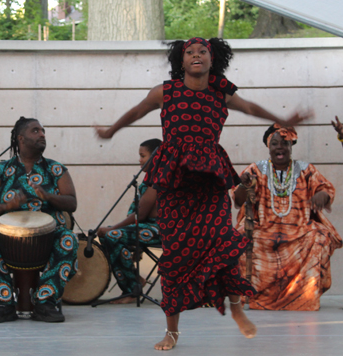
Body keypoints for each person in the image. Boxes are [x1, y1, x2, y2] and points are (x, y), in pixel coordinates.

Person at [95, 37, 311, 351]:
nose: (196, 56)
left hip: (209, 177)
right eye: (190, 53)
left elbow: (249, 107)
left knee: (223, 242)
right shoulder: (165, 92)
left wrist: (283, 120)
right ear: (180, 62)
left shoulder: (220, 91)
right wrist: (112, 130)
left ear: (213, 59)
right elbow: (136, 111)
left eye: (202, 52)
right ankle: (172, 332)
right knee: (175, 256)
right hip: (175, 180)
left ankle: (236, 308)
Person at [0, 116, 78, 323]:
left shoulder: (56, 169)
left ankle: (46, 302)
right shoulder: (1, 170)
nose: (42, 134)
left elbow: (72, 203)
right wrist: (7, 207)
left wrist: (48, 196)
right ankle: (2, 304)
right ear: (20, 139)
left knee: (68, 239)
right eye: (35, 131)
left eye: (42, 131)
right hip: (8, 236)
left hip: (49, 235)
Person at [233, 124, 342, 311]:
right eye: (275, 143)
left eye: (285, 143)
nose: (280, 147)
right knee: (242, 235)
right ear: (269, 147)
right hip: (264, 230)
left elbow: (325, 189)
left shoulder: (305, 169)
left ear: (291, 146)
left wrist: (320, 196)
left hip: (300, 232)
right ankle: (255, 297)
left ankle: (305, 298)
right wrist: (244, 186)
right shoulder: (256, 169)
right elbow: (237, 200)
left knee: (320, 236)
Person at [97, 138, 161, 304]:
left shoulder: (160, 179)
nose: (139, 160)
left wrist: (114, 229)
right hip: (146, 227)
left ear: (156, 156)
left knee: (112, 235)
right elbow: (134, 213)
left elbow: (140, 214)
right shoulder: (148, 181)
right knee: (107, 234)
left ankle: (132, 290)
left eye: (143, 155)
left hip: (162, 230)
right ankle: (135, 281)